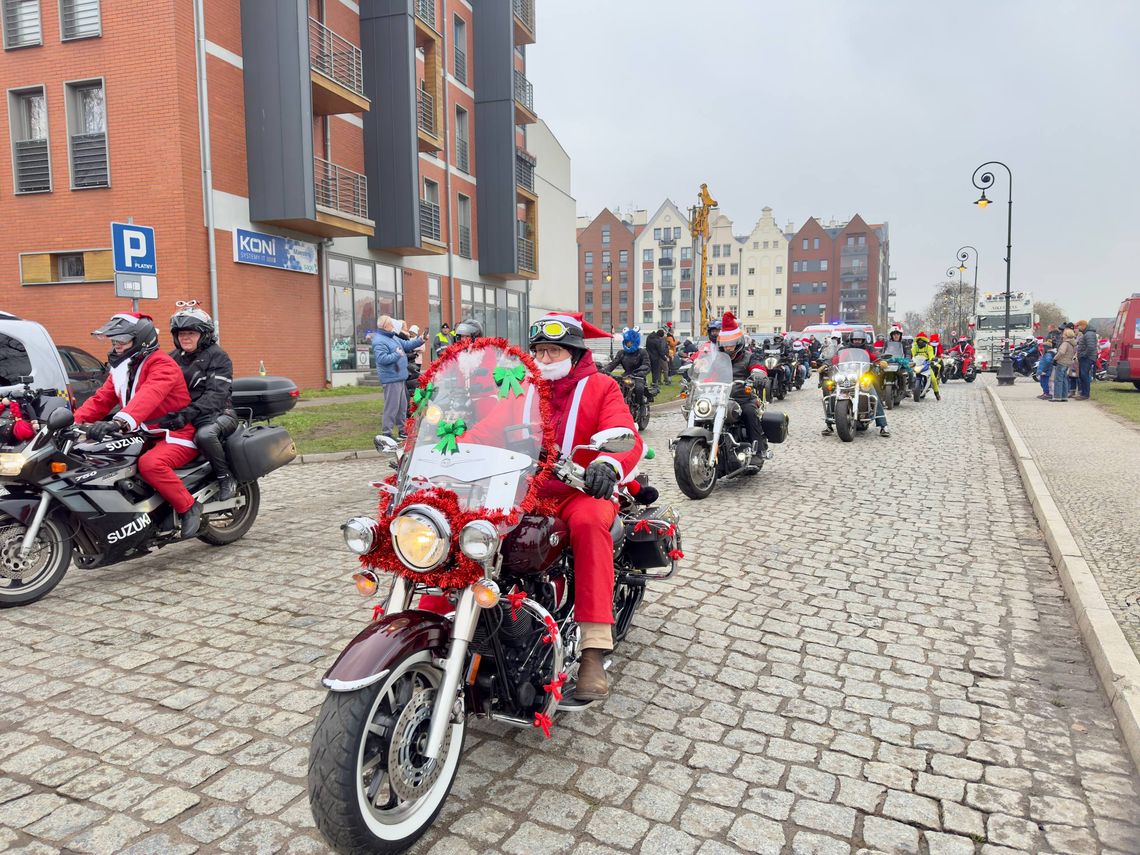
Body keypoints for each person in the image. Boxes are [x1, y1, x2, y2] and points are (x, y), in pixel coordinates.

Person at [529, 312, 645, 700]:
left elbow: (625, 432)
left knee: (590, 524)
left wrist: (606, 465)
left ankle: (594, 647)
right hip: (523, 491)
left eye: (553, 351)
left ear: (575, 352)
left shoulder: (601, 386)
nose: (544, 360)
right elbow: (488, 426)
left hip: (580, 491)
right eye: (539, 351)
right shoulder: (520, 387)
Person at [74, 313, 204, 537]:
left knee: (151, 464)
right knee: (104, 459)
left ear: (142, 341)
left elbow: (149, 395)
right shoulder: (122, 369)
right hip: (143, 434)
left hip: (175, 434)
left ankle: (189, 506)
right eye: (114, 342)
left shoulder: (162, 364)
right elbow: (100, 400)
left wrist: (118, 422)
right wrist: (72, 421)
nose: (117, 347)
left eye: (122, 342)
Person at [160, 304, 239, 502]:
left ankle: (225, 478)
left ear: (204, 334)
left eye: (190, 333)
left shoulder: (218, 356)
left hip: (219, 414)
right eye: (180, 333)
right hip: (184, 415)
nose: (184, 337)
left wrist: (187, 414)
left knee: (205, 435)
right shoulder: (172, 357)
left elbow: (216, 395)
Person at [823, 329, 890, 437]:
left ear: (863, 340)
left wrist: (880, 361)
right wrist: (826, 364)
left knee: (873, 396)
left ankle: (883, 426)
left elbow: (875, 356)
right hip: (847, 377)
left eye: (859, 339)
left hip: (863, 377)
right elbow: (835, 359)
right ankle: (829, 425)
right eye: (855, 339)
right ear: (851, 340)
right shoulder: (845, 349)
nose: (857, 341)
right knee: (833, 395)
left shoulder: (869, 348)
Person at [717, 312, 768, 454]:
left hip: (742, 399)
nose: (728, 348)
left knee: (750, 413)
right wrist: (699, 367)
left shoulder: (749, 357)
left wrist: (758, 374)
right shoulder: (718, 358)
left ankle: (758, 451)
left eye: (731, 345)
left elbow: (758, 366)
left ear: (738, 343)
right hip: (720, 399)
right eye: (725, 345)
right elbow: (708, 371)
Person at [373, 315, 424, 438]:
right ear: (385, 326)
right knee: (392, 407)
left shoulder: (393, 337)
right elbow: (381, 359)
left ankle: (403, 431)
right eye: (391, 323)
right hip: (391, 379)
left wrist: (421, 339)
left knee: (402, 407)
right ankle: (387, 433)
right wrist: (397, 354)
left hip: (400, 377)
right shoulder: (379, 340)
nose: (393, 325)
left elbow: (406, 345)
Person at [604, 328, 651, 404]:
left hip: (638, 376)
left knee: (639, 388)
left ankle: (641, 405)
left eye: (631, 342)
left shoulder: (642, 352)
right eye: (626, 342)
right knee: (614, 387)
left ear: (635, 342)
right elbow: (613, 363)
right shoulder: (621, 353)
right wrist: (604, 370)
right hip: (626, 376)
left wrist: (641, 371)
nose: (628, 344)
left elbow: (647, 365)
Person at [911, 331, 941, 401]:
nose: (920, 343)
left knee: (933, 379)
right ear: (917, 341)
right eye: (919, 341)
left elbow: (931, 356)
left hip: (926, 364)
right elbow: (913, 356)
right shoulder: (914, 347)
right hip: (916, 364)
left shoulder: (929, 347)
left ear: (925, 341)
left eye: (922, 341)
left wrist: (932, 360)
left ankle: (937, 393)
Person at [1074, 320, 1097, 399]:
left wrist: (1083, 355)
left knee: (1084, 375)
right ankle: (1083, 393)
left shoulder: (1089, 334)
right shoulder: (1087, 333)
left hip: (1087, 358)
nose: (1078, 328)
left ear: (1083, 325)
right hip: (1086, 357)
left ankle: (1085, 394)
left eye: (1078, 326)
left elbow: (1091, 347)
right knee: (1082, 375)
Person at [1053, 328, 1077, 402]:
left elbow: (1061, 352)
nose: (1062, 336)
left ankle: (1057, 397)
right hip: (1068, 363)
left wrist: (1055, 358)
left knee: (1058, 380)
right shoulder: (1073, 343)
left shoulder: (1065, 343)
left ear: (1066, 335)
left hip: (1061, 362)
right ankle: (1064, 396)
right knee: (1064, 380)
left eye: (1064, 334)